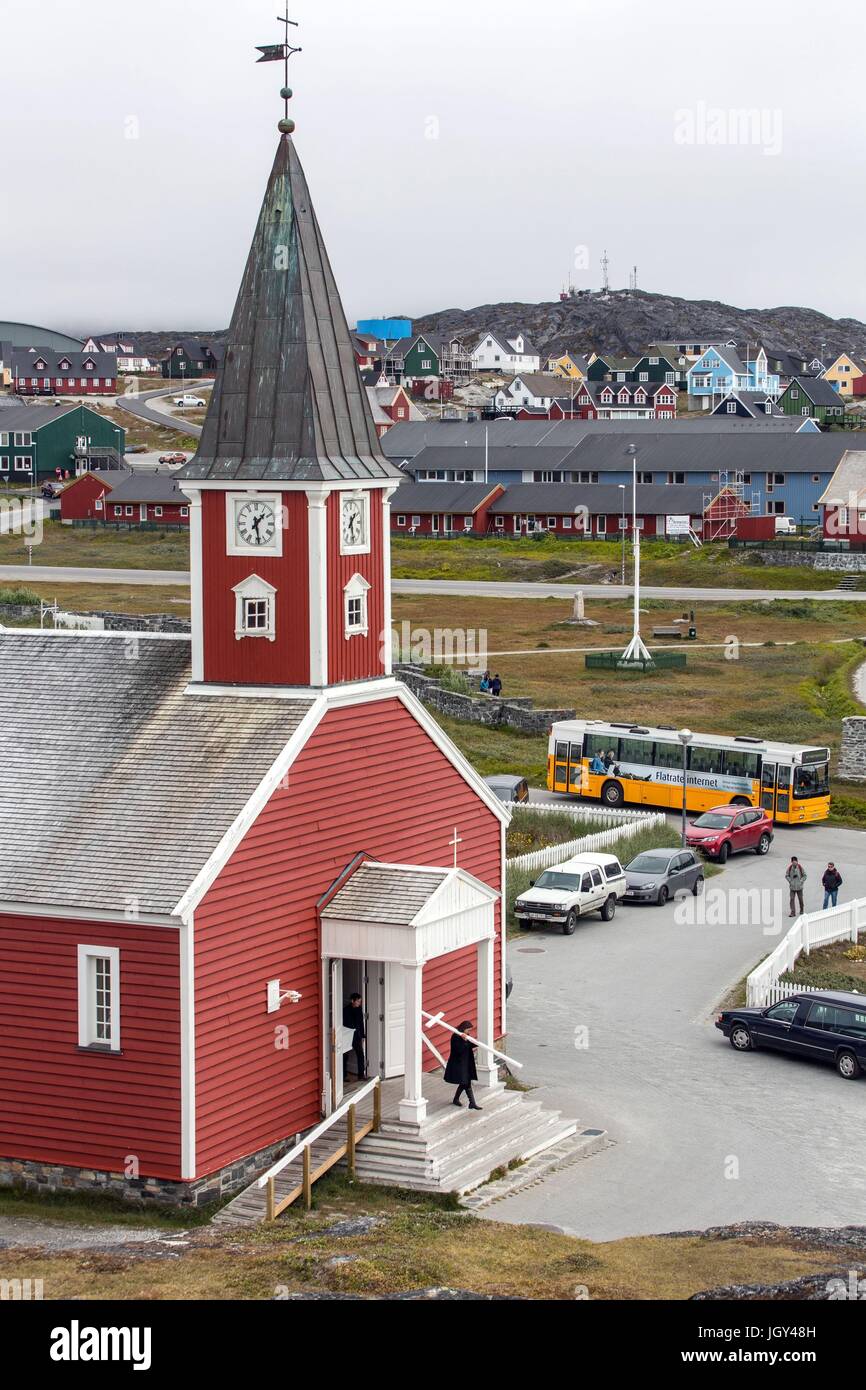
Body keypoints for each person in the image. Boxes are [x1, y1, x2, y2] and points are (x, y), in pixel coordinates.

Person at [444, 1021, 481, 1110]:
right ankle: (472, 1103)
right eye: (468, 1030)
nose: (469, 1032)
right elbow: (460, 1049)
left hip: (466, 1063)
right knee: (466, 1083)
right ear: (463, 1029)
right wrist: (465, 1041)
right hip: (458, 1063)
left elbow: (469, 1045)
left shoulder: (464, 1036)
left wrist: (475, 1042)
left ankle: (457, 1099)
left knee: (464, 1082)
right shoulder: (456, 1037)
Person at [342, 992, 366, 1081]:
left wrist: (362, 1036)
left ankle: (361, 1075)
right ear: (353, 1001)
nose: (359, 1003)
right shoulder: (345, 1010)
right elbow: (344, 1024)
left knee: (360, 1054)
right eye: (358, 1001)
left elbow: (361, 1023)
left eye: (360, 1001)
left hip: (357, 1036)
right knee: (345, 1056)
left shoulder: (359, 1010)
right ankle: (343, 1076)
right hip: (347, 1036)